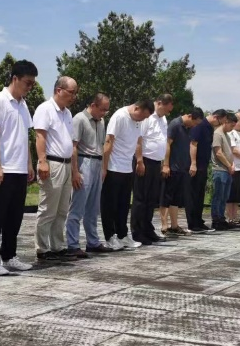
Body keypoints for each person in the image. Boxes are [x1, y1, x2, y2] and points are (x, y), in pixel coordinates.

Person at [0, 59, 38, 275]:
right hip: (2, 169)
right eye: (27, 83)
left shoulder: (23, 105)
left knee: (15, 216)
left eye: (32, 83)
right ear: (15, 78)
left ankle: (9, 255)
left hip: (19, 169)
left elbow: (25, 136)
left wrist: (29, 163)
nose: (30, 87)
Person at [33, 76, 82, 263]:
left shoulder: (67, 113)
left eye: (75, 93)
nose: (73, 97)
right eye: (71, 92)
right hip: (52, 163)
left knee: (62, 210)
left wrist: (75, 169)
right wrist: (42, 161)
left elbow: (70, 143)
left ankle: (57, 246)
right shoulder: (45, 109)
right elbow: (40, 136)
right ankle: (42, 248)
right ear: (58, 90)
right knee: (48, 209)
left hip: (66, 164)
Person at [101, 99, 154, 251]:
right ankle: (110, 237)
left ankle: (122, 235)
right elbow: (109, 141)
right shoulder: (119, 116)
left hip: (127, 167)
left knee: (123, 205)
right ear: (136, 108)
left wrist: (139, 160)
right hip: (113, 167)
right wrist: (104, 167)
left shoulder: (138, 121)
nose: (142, 120)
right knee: (110, 205)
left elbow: (138, 141)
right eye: (142, 116)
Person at [66, 93, 113, 256]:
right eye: (102, 109)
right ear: (93, 105)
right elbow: (73, 146)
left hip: (97, 162)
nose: (104, 113)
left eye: (106, 110)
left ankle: (92, 241)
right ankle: (72, 244)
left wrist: (103, 168)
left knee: (93, 207)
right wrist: (75, 171)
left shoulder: (101, 121)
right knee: (78, 206)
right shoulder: (79, 119)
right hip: (84, 161)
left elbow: (102, 145)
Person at [131, 94, 174, 246]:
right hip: (144, 161)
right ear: (160, 103)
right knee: (140, 198)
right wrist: (139, 160)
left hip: (156, 162)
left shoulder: (163, 119)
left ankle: (147, 229)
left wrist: (164, 163)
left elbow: (163, 141)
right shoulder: (147, 117)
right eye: (167, 109)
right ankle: (137, 232)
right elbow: (138, 139)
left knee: (151, 199)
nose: (168, 113)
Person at [161, 107, 204, 235]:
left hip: (182, 167)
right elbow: (167, 144)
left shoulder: (188, 128)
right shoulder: (175, 124)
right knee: (167, 197)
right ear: (190, 116)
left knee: (176, 199)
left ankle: (174, 225)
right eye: (195, 122)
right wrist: (166, 164)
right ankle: (164, 226)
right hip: (172, 167)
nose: (195, 126)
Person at [187, 109, 226, 233]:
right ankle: (192, 223)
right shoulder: (200, 125)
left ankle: (199, 221)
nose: (220, 125)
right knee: (193, 194)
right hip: (196, 166)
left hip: (203, 165)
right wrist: (193, 163)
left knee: (200, 195)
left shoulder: (209, 128)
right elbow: (193, 144)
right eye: (220, 122)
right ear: (215, 117)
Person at [210, 111, 238, 231]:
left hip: (227, 170)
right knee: (218, 195)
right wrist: (229, 165)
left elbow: (229, 152)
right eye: (231, 125)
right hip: (220, 169)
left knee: (224, 196)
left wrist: (232, 165)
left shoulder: (226, 135)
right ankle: (216, 219)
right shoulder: (218, 134)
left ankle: (221, 218)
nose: (232, 128)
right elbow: (218, 153)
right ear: (226, 122)